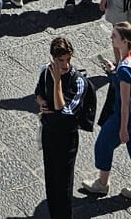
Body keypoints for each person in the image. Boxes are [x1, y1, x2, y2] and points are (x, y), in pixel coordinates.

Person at [81, 23, 131, 204]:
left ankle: (102, 183)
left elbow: (125, 103)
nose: (111, 38)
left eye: (114, 36)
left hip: (125, 116)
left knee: (103, 145)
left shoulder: (126, 70)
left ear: (125, 41)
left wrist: (122, 129)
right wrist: (114, 71)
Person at [34, 34, 93, 219]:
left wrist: (58, 81)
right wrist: (41, 101)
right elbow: (38, 90)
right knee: (51, 178)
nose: (65, 64)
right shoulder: (45, 71)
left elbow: (62, 108)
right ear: (53, 58)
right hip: (50, 133)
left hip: (67, 138)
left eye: (68, 60)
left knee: (64, 183)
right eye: (61, 60)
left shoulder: (78, 81)